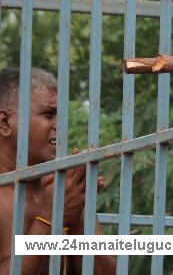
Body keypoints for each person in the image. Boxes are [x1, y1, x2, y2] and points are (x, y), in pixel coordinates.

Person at [0, 67, 115, 274]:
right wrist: (50, 220)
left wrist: (76, 212)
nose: (60, 124)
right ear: (4, 122)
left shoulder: (62, 190)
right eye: (49, 114)